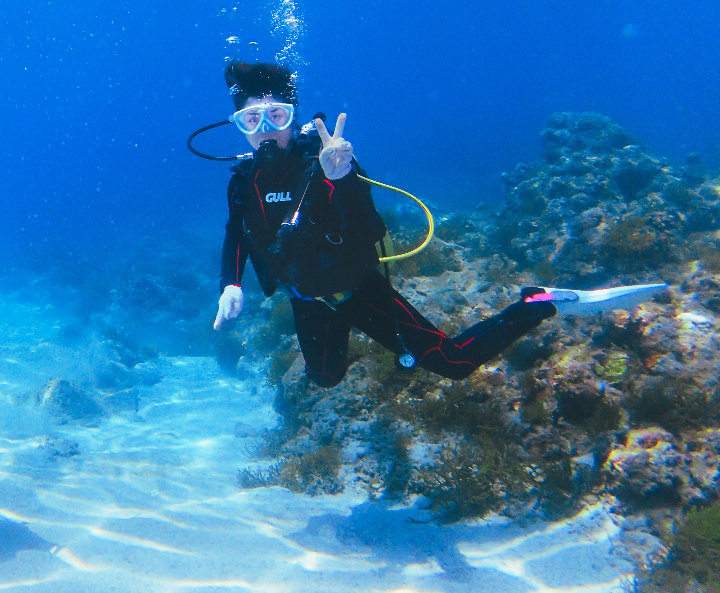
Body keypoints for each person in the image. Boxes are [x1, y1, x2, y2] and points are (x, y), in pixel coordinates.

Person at [209, 61, 663, 388]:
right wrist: (231, 284)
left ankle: (537, 302)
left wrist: (340, 179)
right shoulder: (241, 183)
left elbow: (369, 229)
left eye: (277, 115)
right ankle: (342, 338)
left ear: (293, 119)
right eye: (252, 118)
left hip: (357, 288)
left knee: (453, 362)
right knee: (324, 379)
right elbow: (237, 235)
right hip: (306, 299)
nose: (266, 129)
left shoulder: (327, 162)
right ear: (239, 126)